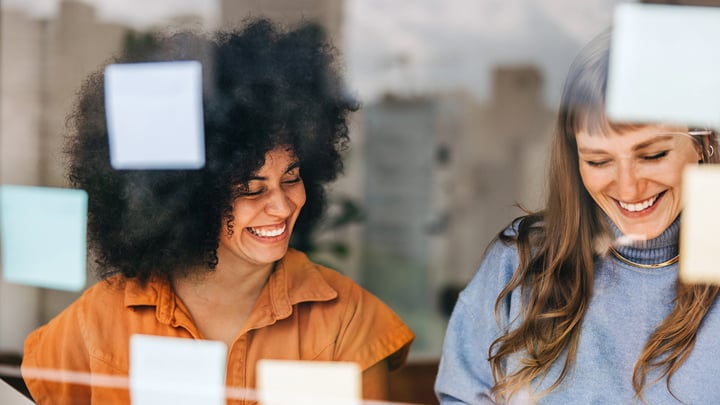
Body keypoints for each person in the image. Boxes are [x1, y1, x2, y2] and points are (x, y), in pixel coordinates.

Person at [21, 19, 414, 404]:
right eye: (250, 188)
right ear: (190, 199)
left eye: (291, 177)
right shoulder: (97, 320)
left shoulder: (348, 319)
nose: (281, 205)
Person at [435, 30, 720, 404]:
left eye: (652, 156)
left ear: (704, 142)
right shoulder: (521, 261)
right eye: (598, 161)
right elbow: (461, 395)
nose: (629, 188)